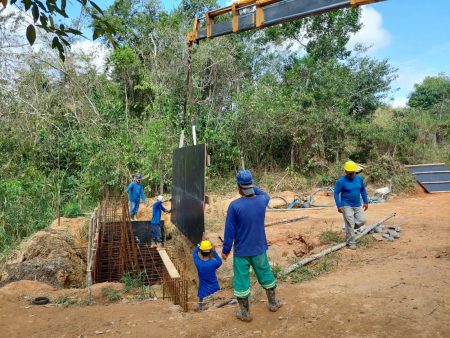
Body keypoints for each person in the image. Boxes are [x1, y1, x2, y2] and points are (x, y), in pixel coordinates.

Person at [221, 170, 281, 322]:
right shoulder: (262, 200)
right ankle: (273, 303)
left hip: (241, 251)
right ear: (251, 185)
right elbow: (264, 194)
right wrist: (252, 186)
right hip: (259, 248)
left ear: (238, 187)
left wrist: (226, 250)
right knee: (265, 273)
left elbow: (229, 232)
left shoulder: (234, 206)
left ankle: (245, 313)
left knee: (241, 280)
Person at [334, 160, 369, 250]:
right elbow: (336, 193)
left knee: (362, 221)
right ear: (346, 172)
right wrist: (339, 205)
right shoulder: (341, 181)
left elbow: (363, 190)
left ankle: (349, 228)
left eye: (353, 173)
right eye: (349, 173)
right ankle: (351, 242)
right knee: (350, 223)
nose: (351, 175)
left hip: (357, 204)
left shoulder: (359, 178)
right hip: (346, 205)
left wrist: (365, 202)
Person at [192, 240, 222, 310]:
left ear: (201, 252)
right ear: (210, 251)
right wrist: (214, 251)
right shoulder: (214, 263)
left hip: (203, 293)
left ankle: (201, 308)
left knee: (201, 308)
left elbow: (194, 253)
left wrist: (199, 245)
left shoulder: (198, 263)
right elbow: (220, 261)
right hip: (215, 290)